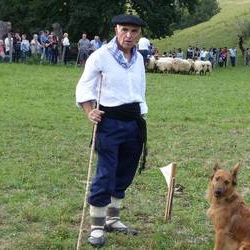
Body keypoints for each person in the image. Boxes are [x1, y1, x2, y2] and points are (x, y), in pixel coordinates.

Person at [76, 14, 148, 247]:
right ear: (116, 29)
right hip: (109, 122)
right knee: (106, 173)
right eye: (124, 30)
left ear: (139, 34)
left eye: (134, 31)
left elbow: (140, 89)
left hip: (134, 122)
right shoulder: (100, 57)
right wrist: (89, 111)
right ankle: (97, 227)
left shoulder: (138, 59)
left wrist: (141, 114)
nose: (129, 35)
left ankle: (113, 219)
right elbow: (84, 86)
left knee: (126, 171)